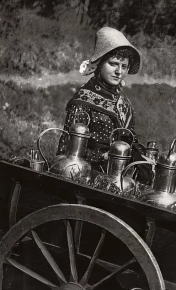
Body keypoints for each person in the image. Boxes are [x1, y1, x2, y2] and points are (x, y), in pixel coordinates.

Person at [57, 26, 152, 184]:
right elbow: (67, 151)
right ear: (99, 64)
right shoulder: (83, 101)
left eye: (124, 66)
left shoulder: (125, 104)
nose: (118, 72)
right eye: (113, 64)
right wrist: (104, 156)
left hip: (118, 178)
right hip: (84, 177)